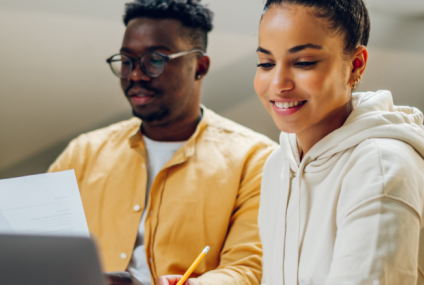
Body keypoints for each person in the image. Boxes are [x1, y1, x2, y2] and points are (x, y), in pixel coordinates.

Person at [48, 1, 277, 285]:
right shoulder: (83, 153)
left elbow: (247, 267)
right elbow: (37, 247)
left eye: (155, 60)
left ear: (199, 66)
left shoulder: (256, 159)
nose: (135, 75)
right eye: (127, 61)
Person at [254, 0, 424, 284]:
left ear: (355, 65)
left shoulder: (381, 167)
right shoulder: (277, 164)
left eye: (303, 63)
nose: (279, 82)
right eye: (266, 63)